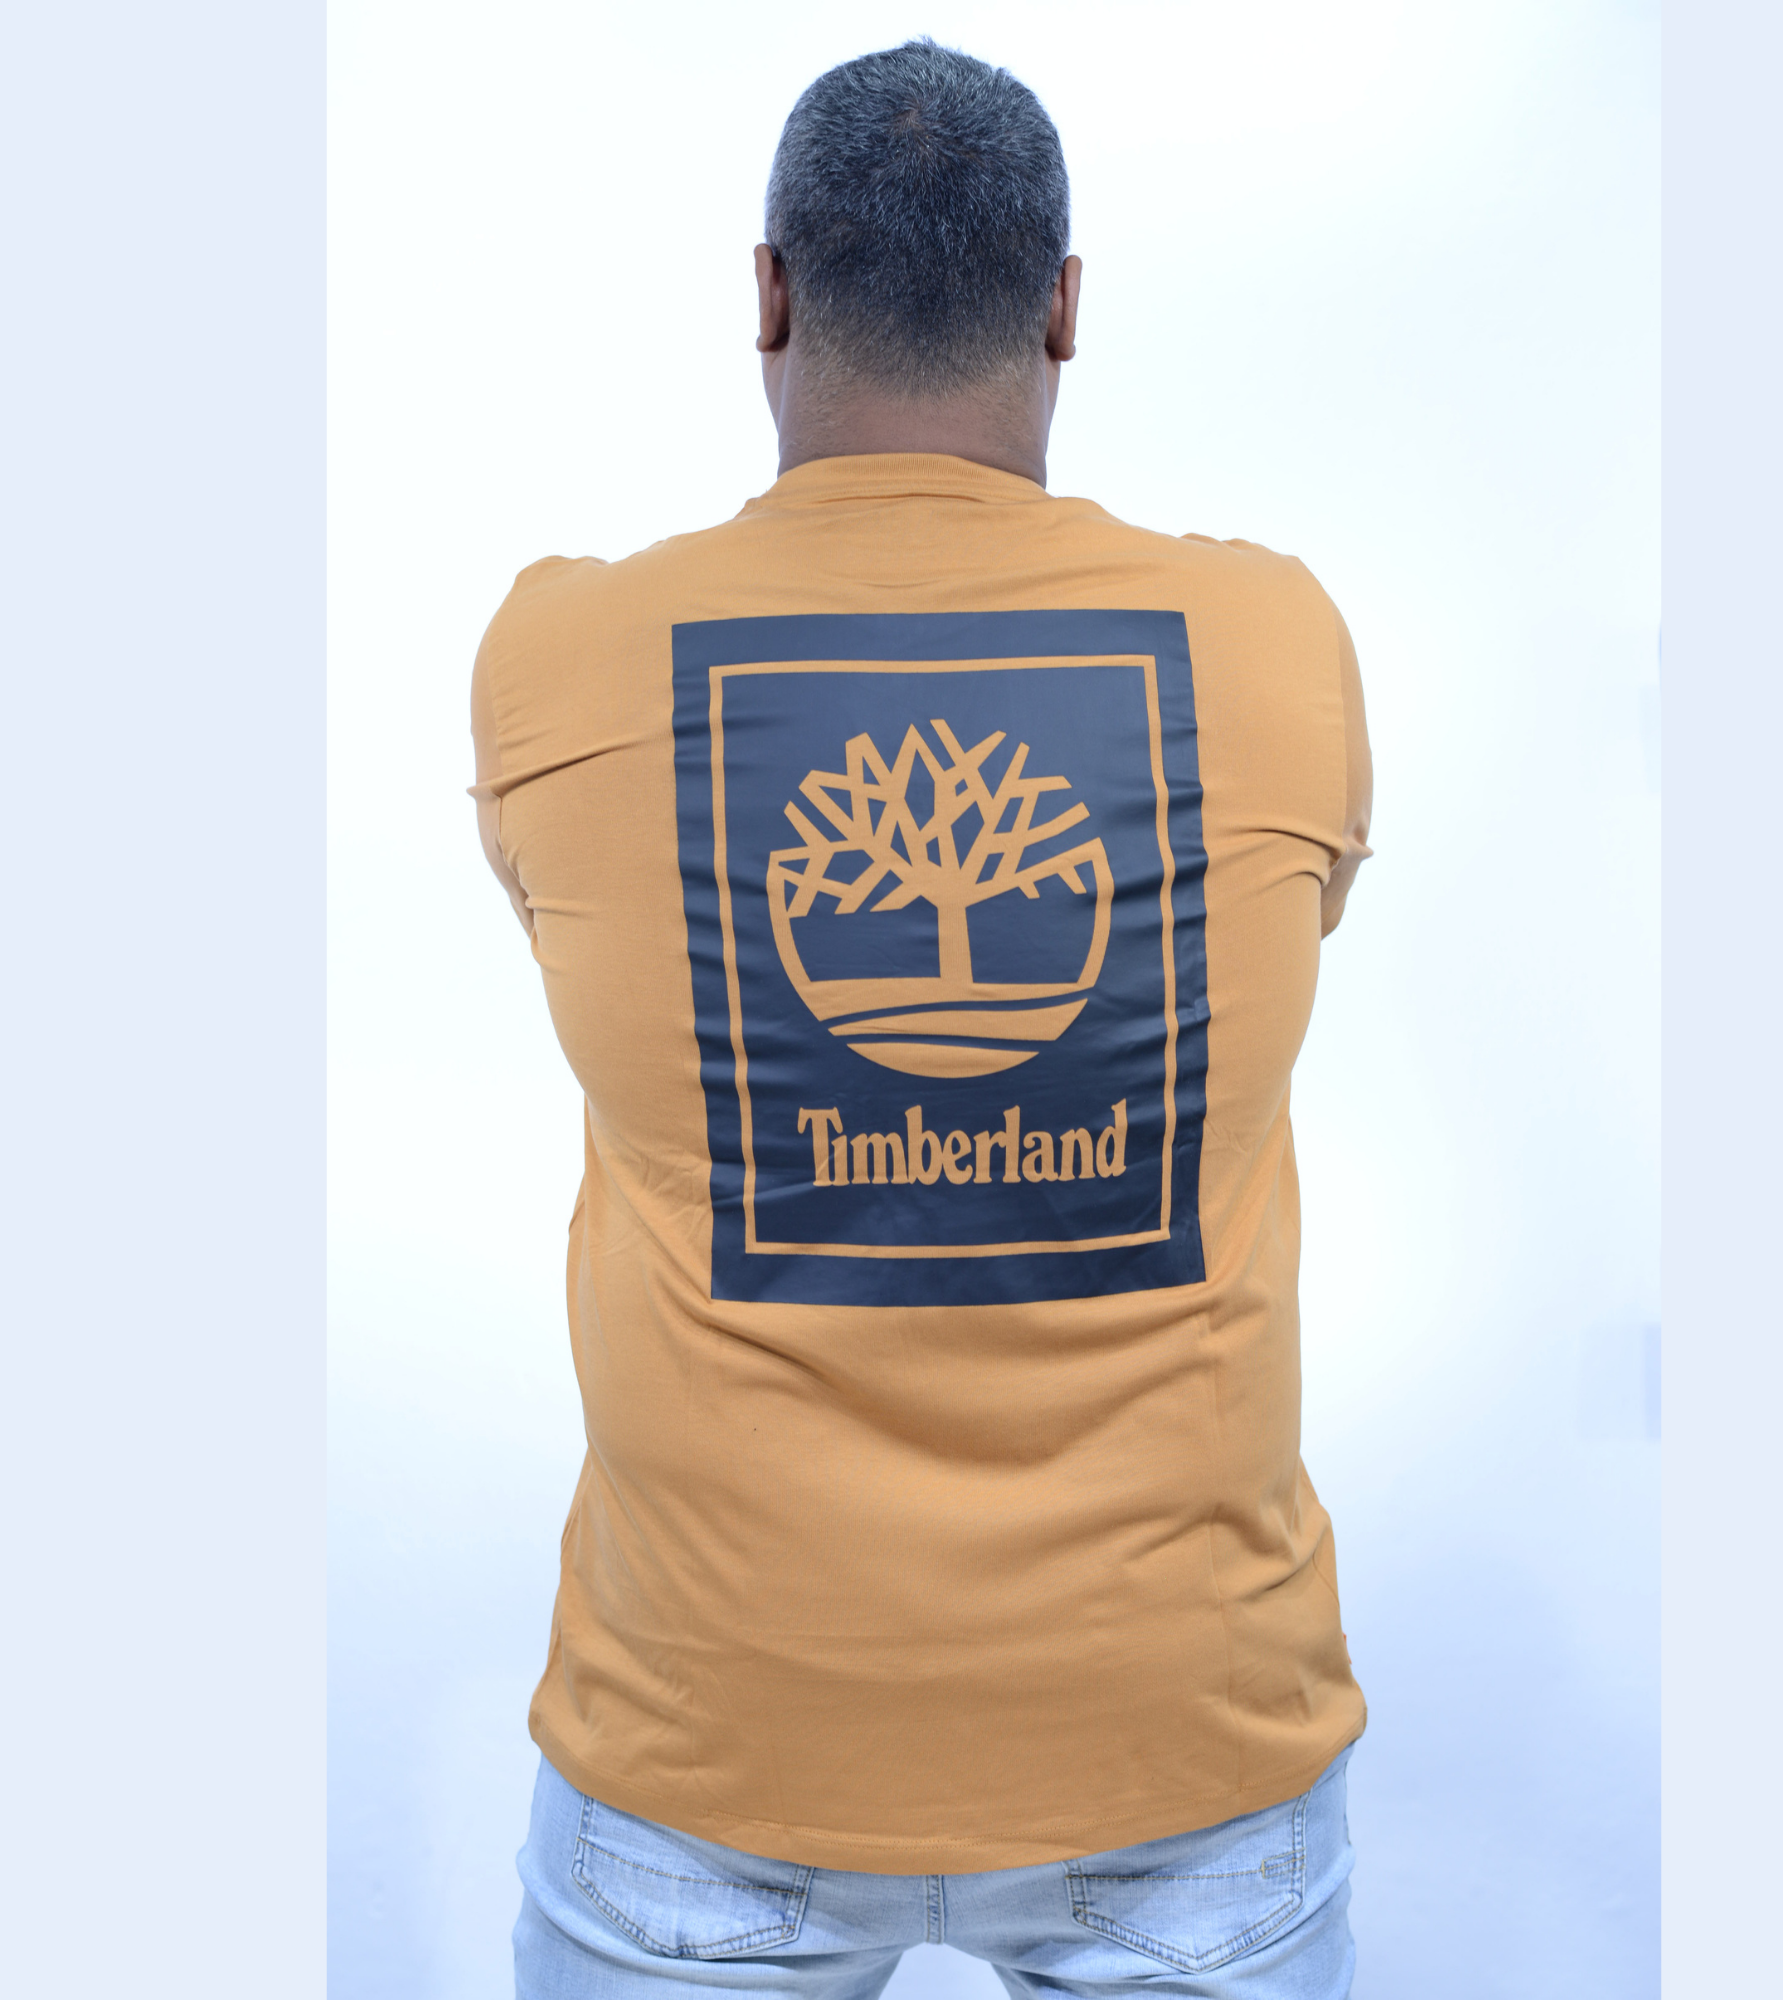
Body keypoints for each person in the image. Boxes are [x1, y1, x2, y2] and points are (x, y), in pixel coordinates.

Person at [471, 38, 1373, 1999]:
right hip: (1185, 1747)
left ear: (769, 295)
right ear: (1063, 309)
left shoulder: (561, 657)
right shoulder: (1275, 647)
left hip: (708, 1752)